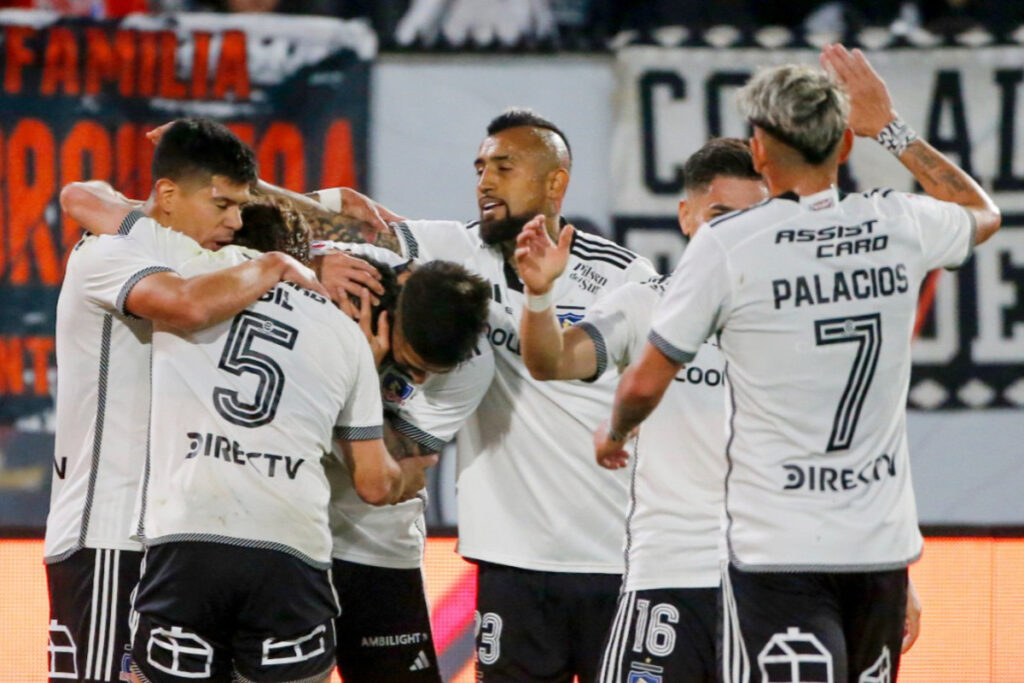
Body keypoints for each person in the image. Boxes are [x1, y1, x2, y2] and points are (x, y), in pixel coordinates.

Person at [596, 45, 999, 683]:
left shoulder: (728, 245)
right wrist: (891, 129)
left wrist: (615, 433)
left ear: (758, 151)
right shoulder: (898, 223)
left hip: (778, 550)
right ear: (844, 147)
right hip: (879, 549)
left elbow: (645, 381)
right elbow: (983, 213)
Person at [306, 108, 658, 683]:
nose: (485, 181)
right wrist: (299, 236)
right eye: (479, 167)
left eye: (504, 165)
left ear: (555, 182)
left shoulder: (623, 277)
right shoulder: (452, 252)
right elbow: (349, 216)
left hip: (613, 554)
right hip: (509, 560)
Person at [45, 118, 323, 683]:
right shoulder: (109, 253)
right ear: (168, 196)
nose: (236, 221)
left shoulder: (209, 265)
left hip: (178, 544)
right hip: (109, 534)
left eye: (242, 206)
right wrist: (274, 266)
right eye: (221, 203)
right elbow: (185, 304)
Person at [516, 138, 767, 683]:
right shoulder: (647, 304)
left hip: (770, 582)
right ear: (686, 217)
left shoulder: (794, 326)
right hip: (670, 575)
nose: (733, 237)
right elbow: (551, 360)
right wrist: (539, 298)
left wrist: (889, 576)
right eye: (719, 216)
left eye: (752, 220)